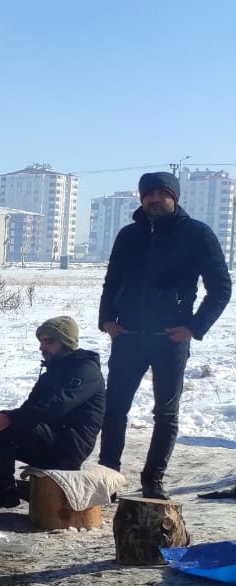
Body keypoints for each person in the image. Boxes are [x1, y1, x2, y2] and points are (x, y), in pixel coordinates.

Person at [98, 171, 232, 500]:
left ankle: (152, 480)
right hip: (128, 336)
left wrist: (194, 327)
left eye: (161, 193)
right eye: (148, 194)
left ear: (175, 196)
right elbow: (111, 281)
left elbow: (221, 288)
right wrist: (106, 320)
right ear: (141, 198)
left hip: (170, 339)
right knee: (114, 409)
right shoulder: (129, 235)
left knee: (166, 413)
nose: (154, 199)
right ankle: (108, 478)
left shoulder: (198, 234)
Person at [0, 317, 106, 514]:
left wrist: (10, 419)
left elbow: (57, 406)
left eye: (49, 342)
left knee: (10, 427)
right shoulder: (51, 373)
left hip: (69, 447)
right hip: (47, 438)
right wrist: (5, 417)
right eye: (41, 342)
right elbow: (30, 408)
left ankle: (4, 488)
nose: (42, 347)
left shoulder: (86, 370)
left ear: (67, 342)